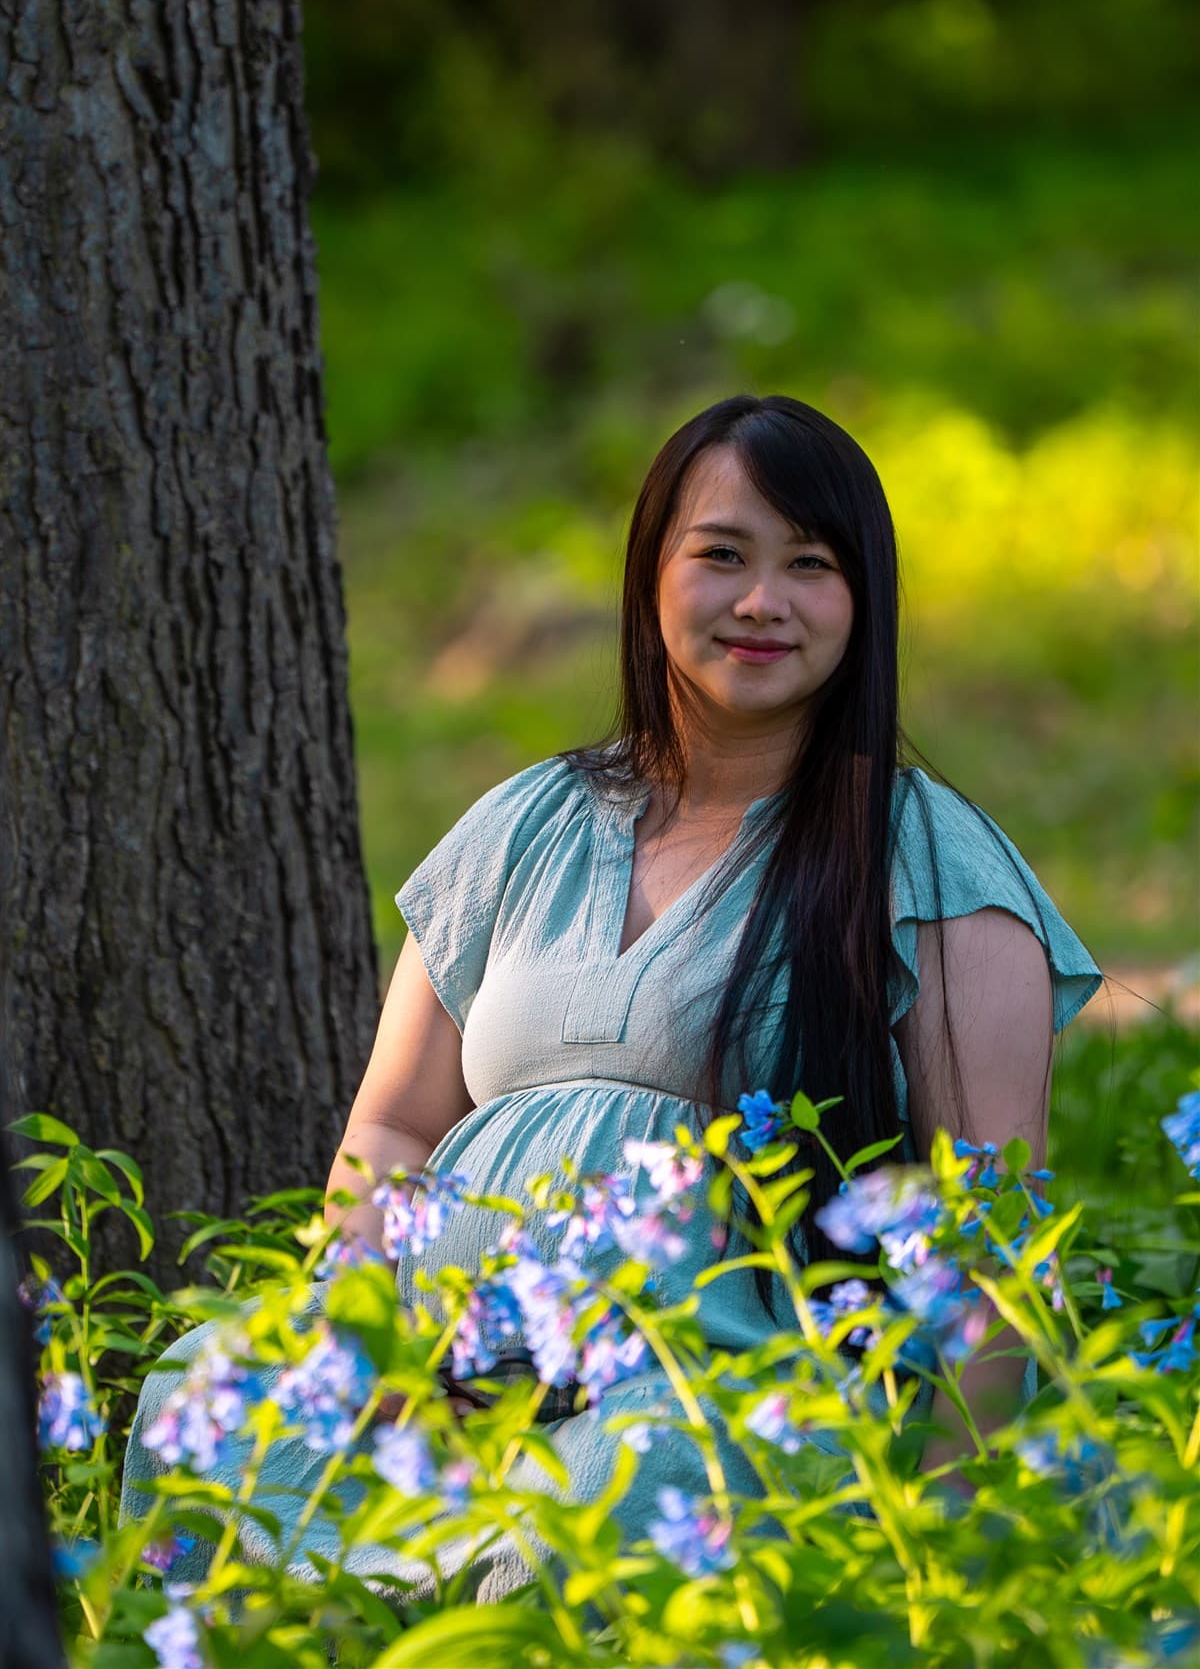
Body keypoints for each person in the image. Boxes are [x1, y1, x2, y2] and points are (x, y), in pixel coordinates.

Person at [121, 393, 1103, 1604]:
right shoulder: (526, 822)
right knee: (204, 1396)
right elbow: (391, 1128)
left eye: (812, 566)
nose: (762, 602)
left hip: (707, 1398)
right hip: (434, 1380)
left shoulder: (927, 863)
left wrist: (946, 1545)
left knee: (627, 1483)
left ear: (865, 606)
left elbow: (989, 1229)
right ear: (651, 578)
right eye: (722, 556)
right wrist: (375, 1340)